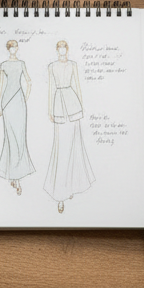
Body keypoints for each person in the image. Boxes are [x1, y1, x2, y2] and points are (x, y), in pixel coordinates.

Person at [42, 40, 95, 213]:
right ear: (57, 50)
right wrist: (50, 109)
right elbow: (50, 88)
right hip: (58, 105)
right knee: (61, 148)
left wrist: (81, 106)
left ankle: (71, 186)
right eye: (60, 48)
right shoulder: (51, 66)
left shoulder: (73, 65)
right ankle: (60, 193)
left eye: (65, 48)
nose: (62, 51)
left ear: (67, 50)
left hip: (73, 105)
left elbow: (77, 86)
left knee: (74, 147)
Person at [0, 38, 34, 195]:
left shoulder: (21, 63)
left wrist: (25, 98)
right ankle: (13, 176)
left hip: (19, 101)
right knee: (10, 138)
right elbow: (1, 85)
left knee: (19, 138)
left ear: (17, 48)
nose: (13, 49)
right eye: (10, 47)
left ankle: (16, 177)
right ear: (8, 49)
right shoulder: (3, 65)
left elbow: (29, 82)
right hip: (7, 102)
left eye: (14, 47)